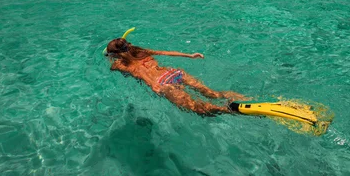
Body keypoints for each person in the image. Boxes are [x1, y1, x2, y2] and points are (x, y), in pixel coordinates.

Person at [106, 38, 248, 115]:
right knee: (213, 94)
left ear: (116, 55)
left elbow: (139, 71)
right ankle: (244, 99)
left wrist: (110, 58)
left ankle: (229, 109)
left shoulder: (120, 64)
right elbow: (166, 53)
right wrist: (190, 55)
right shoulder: (140, 51)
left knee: (199, 109)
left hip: (162, 83)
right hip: (173, 73)